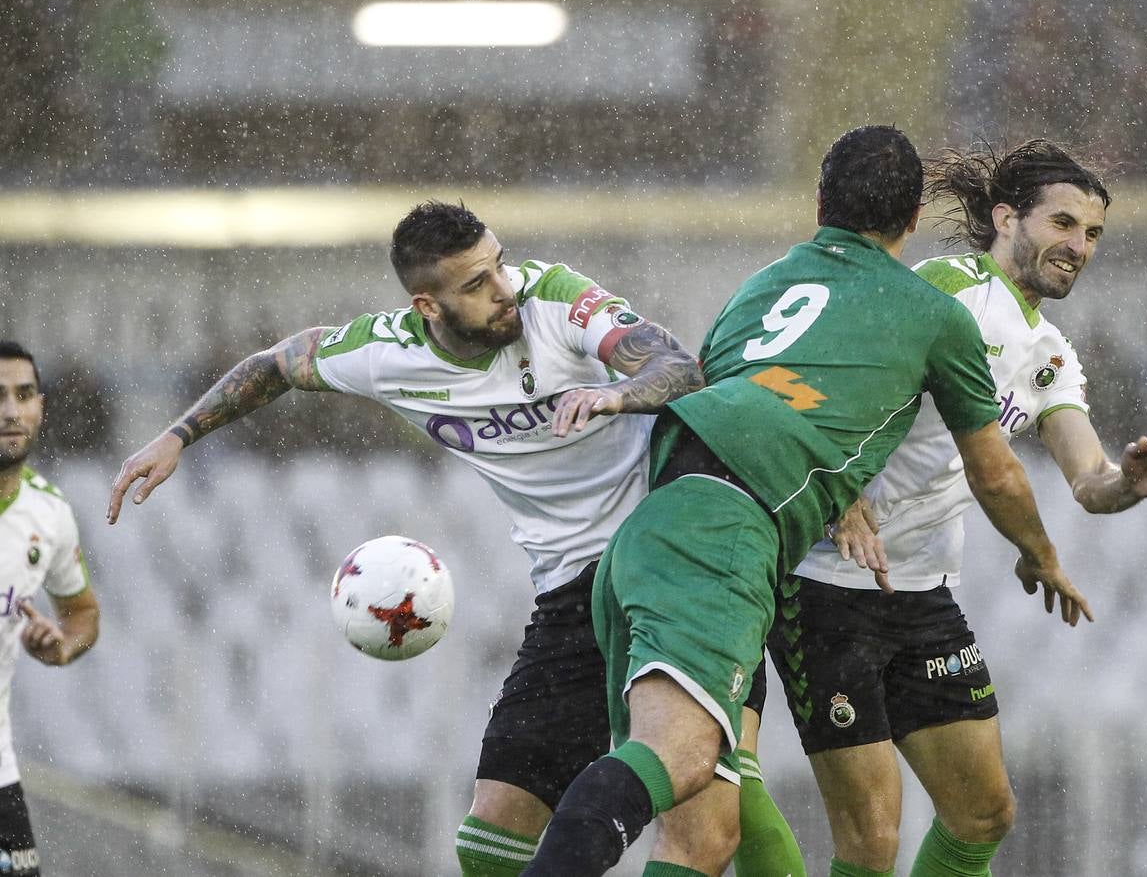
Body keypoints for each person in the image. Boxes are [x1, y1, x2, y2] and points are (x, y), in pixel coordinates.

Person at [105, 201, 802, 877]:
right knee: (493, 832)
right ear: (427, 307)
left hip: (674, 563)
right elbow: (277, 364)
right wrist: (177, 436)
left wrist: (618, 394)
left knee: (708, 828)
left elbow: (677, 366)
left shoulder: (555, 298)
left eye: (499, 265)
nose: (504, 290)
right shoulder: (385, 352)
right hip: (570, 588)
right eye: (477, 284)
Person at [522, 125, 1083, 877]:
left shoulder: (760, 287)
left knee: (704, 835)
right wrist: (1042, 555)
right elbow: (999, 475)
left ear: (820, 203)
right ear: (913, 220)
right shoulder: (933, 311)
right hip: (727, 539)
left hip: (653, 532)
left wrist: (836, 487)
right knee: (679, 758)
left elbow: (721, 391)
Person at [766, 139, 1147, 877]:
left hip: (923, 593)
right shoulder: (948, 286)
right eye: (1061, 224)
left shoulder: (1048, 349)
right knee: (869, 843)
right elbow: (825, 377)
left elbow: (1087, 480)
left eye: (1091, 234)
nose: (1077, 247)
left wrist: (1127, 482)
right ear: (1006, 217)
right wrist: (843, 492)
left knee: (982, 814)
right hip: (826, 586)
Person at [0, 342, 101, 876]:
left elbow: (83, 613)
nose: (10, 412)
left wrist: (61, 647)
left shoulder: (50, 515)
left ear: (41, 405)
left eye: (23, 394)